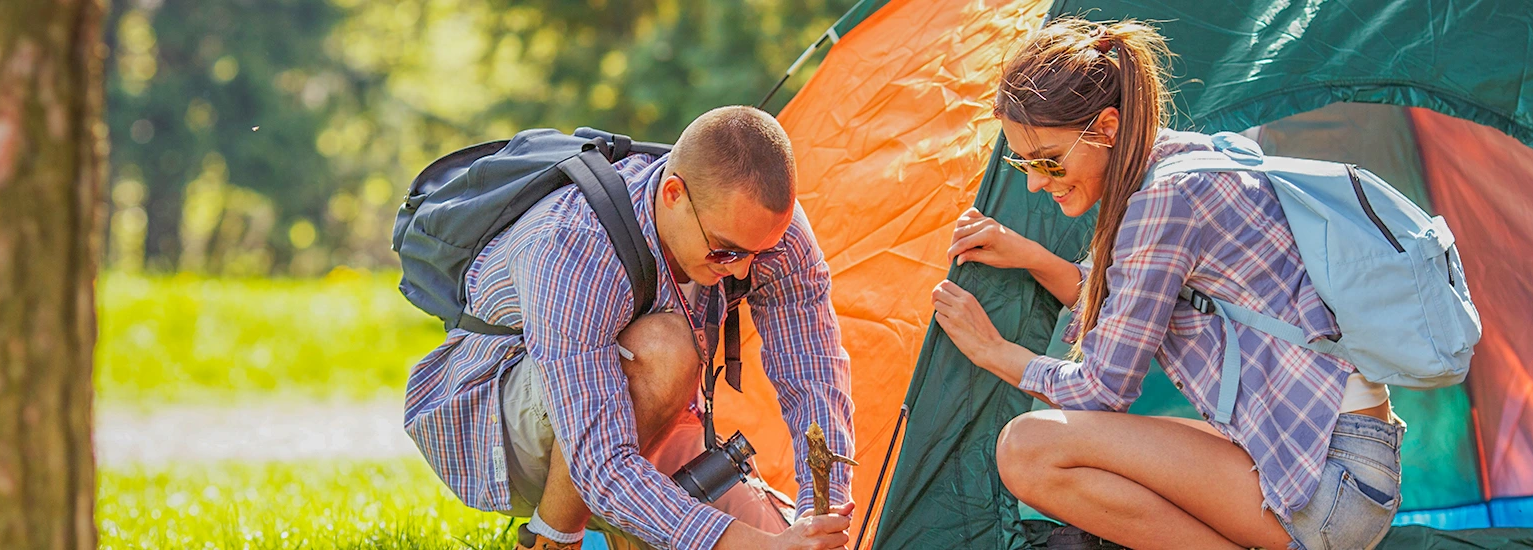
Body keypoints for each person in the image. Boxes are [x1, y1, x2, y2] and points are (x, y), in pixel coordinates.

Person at [929, 19, 1404, 550]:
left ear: (1107, 128)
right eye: (1023, 161)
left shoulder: (1165, 201)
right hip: (1343, 464)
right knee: (1104, 458)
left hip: (1329, 484)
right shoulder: (1184, 161)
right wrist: (1034, 258)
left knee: (1028, 449)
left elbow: (1101, 391)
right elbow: (1137, 300)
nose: (1036, 181)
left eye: (1048, 160)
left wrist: (991, 350)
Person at [404, 106, 857, 550]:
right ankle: (551, 539)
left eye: (758, 252)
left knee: (775, 535)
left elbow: (812, 374)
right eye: (725, 252)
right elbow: (601, 466)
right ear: (673, 194)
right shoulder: (572, 244)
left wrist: (822, 512)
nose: (742, 270)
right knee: (665, 349)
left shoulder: (766, 232)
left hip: (651, 422)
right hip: (500, 431)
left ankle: (631, 527)